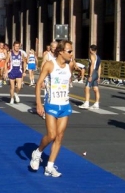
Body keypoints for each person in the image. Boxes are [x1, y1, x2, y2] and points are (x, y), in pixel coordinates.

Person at [29, 40, 74, 177]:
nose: (71, 54)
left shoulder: (70, 65)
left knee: (59, 137)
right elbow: (38, 84)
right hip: (51, 103)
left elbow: (68, 79)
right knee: (52, 135)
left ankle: (49, 166)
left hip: (64, 104)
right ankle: (37, 152)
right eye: (69, 51)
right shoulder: (49, 65)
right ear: (61, 52)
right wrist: (38, 103)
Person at [78, 45, 101, 110]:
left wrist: (90, 75)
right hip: (96, 73)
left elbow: (92, 65)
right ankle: (96, 103)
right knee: (96, 89)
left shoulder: (92, 56)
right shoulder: (98, 57)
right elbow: (99, 67)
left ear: (91, 50)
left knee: (87, 88)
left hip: (92, 73)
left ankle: (86, 103)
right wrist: (99, 76)